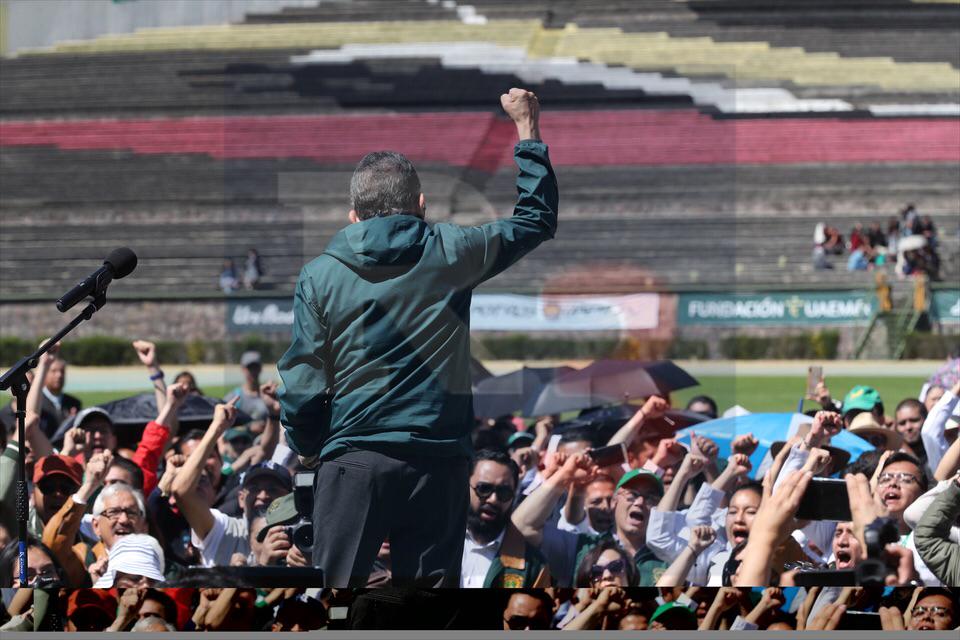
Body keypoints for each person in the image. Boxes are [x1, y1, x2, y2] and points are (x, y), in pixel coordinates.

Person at [278, 88, 557, 588]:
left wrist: (307, 447)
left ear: (353, 216)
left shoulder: (319, 274)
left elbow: (302, 381)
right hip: (438, 460)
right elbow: (535, 220)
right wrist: (527, 130)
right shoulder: (453, 250)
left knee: (335, 603)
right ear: (421, 206)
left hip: (353, 459)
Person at [460, 449, 550, 588]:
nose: (493, 500)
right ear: (466, 486)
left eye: (504, 492)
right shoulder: (435, 541)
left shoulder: (532, 566)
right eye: (484, 488)